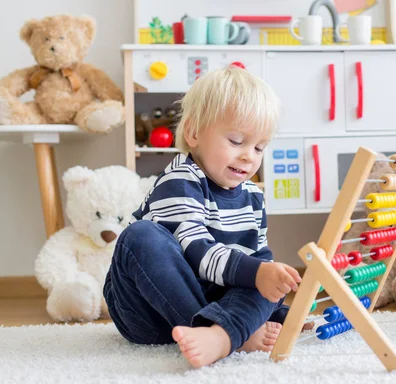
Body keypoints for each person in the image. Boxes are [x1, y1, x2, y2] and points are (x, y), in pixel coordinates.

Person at [103, 65, 311, 368]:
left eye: (259, 147)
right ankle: (225, 333)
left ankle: (224, 329)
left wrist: (270, 280)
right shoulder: (181, 180)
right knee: (140, 236)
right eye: (236, 141)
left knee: (266, 277)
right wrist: (257, 274)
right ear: (194, 133)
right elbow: (196, 251)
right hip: (148, 311)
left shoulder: (253, 195)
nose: (248, 156)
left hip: (210, 300)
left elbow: (255, 259)